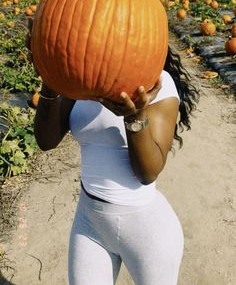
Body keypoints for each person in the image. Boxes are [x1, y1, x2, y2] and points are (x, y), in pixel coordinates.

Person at [27, 19, 199, 285]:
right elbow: (46, 141)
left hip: (146, 229)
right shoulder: (79, 80)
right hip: (89, 222)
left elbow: (148, 172)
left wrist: (134, 116)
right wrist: (49, 81)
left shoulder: (156, 85)